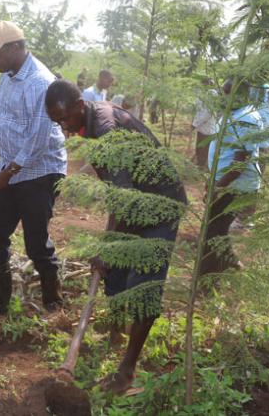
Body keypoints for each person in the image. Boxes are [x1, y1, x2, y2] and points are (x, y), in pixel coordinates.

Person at [45, 79, 188, 394]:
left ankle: (127, 370)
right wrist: (109, 246)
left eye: (65, 118)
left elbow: (126, 198)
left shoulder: (107, 130)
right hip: (135, 202)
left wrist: (108, 246)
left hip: (161, 205)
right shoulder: (91, 128)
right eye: (57, 122)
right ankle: (116, 331)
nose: (64, 127)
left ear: (80, 105)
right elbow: (118, 195)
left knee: (142, 289)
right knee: (114, 274)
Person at [0, 20, 67, 315]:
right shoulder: (8, 75)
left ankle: (53, 302)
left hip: (39, 172)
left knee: (36, 242)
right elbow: (11, 110)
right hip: (11, 168)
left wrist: (8, 174)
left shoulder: (40, 82)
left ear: (16, 47)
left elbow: (39, 135)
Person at [199, 78, 263, 276]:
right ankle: (231, 263)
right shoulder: (232, 114)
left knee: (211, 230)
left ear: (242, 94)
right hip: (226, 181)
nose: (224, 97)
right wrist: (212, 180)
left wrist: (216, 188)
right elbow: (222, 150)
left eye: (229, 93)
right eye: (224, 92)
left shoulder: (247, 119)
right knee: (218, 227)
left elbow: (239, 164)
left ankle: (209, 280)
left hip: (236, 184)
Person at [192, 78, 219, 170]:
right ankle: (199, 164)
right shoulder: (201, 93)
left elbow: (207, 113)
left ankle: (203, 167)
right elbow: (198, 109)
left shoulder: (212, 94)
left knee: (205, 148)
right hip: (201, 126)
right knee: (199, 147)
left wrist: (194, 124)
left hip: (208, 128)